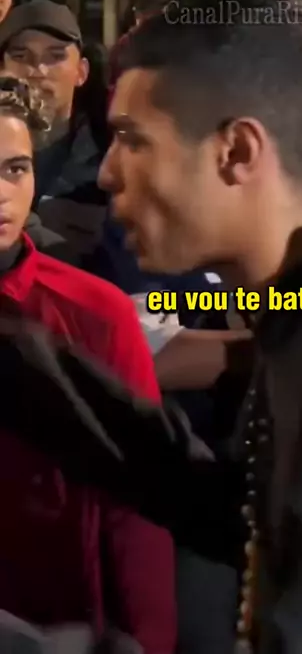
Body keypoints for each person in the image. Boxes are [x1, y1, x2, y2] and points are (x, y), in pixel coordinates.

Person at [3, 0, 302, 653]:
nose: (108, 174)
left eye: (132, 140)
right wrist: (22, 361)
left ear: (237, 151)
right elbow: (252, 513)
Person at [0, 77, 176, 652]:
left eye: (16, 169)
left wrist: (149, 640)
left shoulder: (96, 310)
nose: (2, 192)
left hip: (59, 621)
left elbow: (140, 503)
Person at [0, 0, 108, 258]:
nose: (38, 70)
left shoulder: (111, 159)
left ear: (81, 72)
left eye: (56, 56)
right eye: (21, 55)